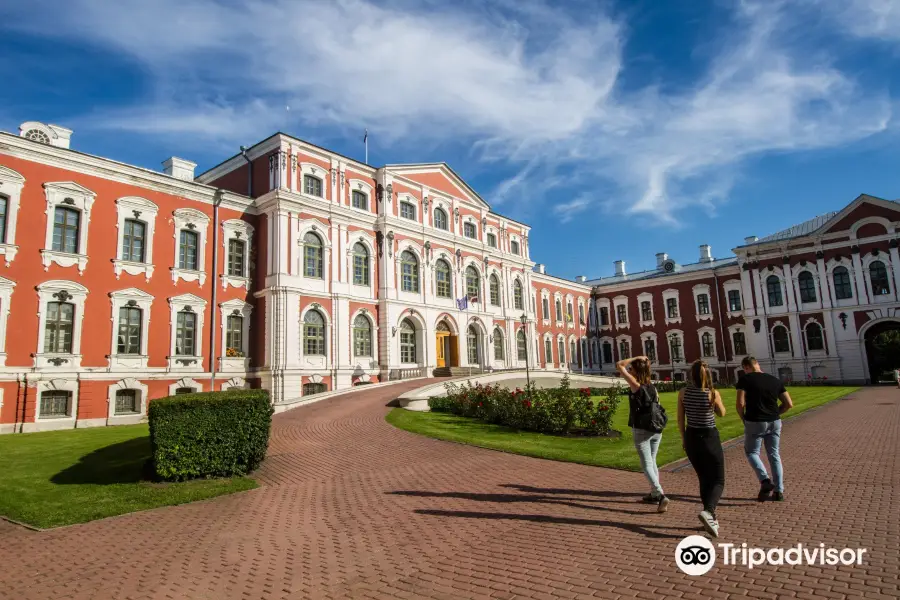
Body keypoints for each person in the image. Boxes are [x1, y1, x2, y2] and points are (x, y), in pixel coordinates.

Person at [678, 360, 727, 538]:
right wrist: (716, 401)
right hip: (709, 437)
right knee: (718, 480)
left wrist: (684, 439)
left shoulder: (683, 392)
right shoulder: (712, 393)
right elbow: (722, 413)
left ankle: (711, 517)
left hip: (691, 437)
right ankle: (708, 511)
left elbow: (680, 420)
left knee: (703, 479)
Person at [736, 356, 793, 502]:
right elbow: (788, 404)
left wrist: (744, 419)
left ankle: (765, 480)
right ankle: (779, 491)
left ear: (746, 367)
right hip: (774, 421)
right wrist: (776, 413)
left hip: (755, 420)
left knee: (752, 452)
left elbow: (740, 403)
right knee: (774, 455)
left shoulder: (745, 380)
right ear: (757, 364)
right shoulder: (774, 380)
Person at [617, 355, 669, 513]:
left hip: (642, 429)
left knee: (646, 464)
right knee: (652, 461)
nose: (628, 370)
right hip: (656, 430)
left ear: (636, 371)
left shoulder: (636, 385)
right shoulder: (652, 386)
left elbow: (619, 365)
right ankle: (654, 494)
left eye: (631, 369)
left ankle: (660, 495)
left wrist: (636, 357)